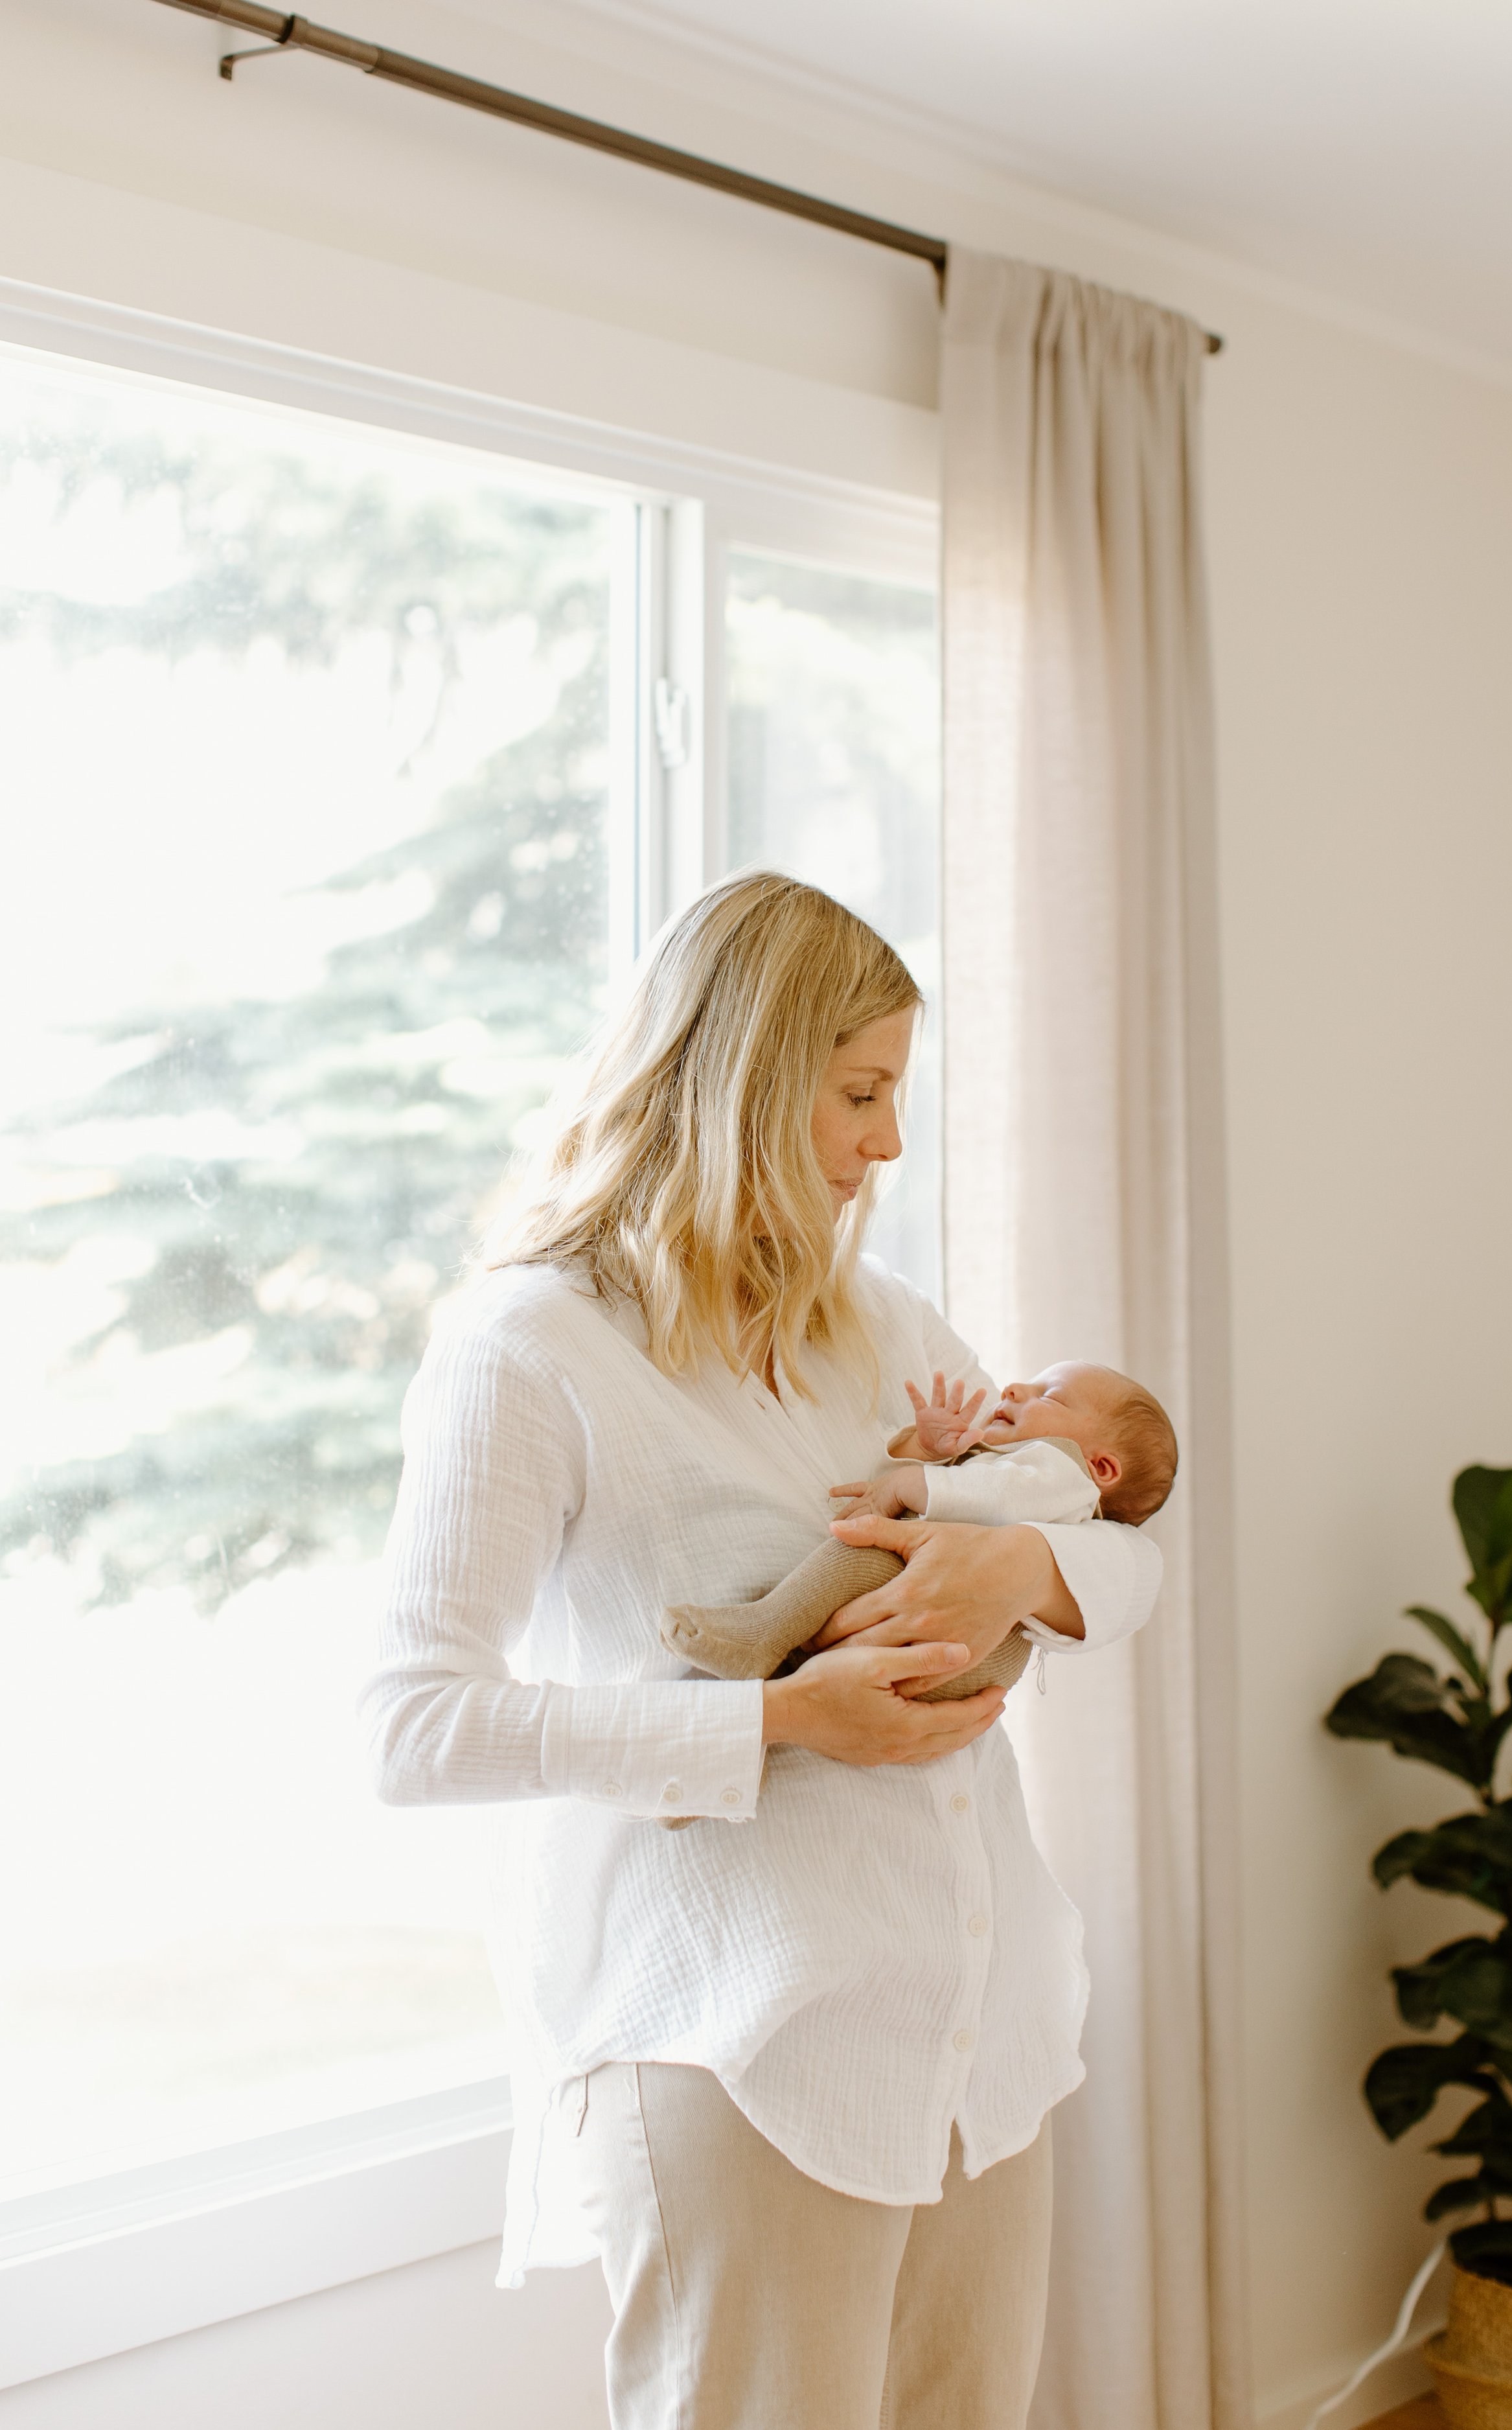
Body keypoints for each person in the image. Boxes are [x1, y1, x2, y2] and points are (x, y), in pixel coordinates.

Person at [362, 871, 1163, 2430]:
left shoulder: (886, 1325)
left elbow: (1120, 1548)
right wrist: (781, 1720)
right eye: (860, 1091)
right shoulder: (531, 1345)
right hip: (740, 2046)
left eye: (897, 1094)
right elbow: (414, 1726)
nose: (888, 1141)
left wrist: (1020, 1562)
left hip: (970, 2043)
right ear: (742, 1076)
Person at [662, 1359, 1176, 1697]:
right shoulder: (1021, 1465)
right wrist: (923, 1452)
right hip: (963, 1662)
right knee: (807, 1687)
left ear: (1102, 1468)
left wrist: (911, 1481)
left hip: (969, 1652)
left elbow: (993, 1498)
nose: (1016, 1386)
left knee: (861, 1549)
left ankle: (765, 1629)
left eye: (1052, 1396)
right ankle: (729, 1749)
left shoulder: (1063, 1473)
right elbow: (933, 1494)